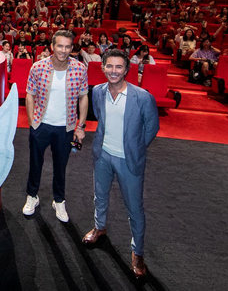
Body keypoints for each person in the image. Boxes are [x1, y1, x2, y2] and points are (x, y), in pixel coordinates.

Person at [83, 48, 159, 279]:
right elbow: (100, 117)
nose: (113, 71)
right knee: (100, 196)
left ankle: (138, 253)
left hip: (129, 160)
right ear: (103, 67)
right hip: (103, 155)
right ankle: (99, 227)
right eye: (109, 66)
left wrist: (135, 148)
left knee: (134, 208)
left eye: (119, 67)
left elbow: (152, 127)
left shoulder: (143, 97)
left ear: (126, 69)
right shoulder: (98, 91)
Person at [23, 30, 88, 222]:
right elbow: (30, 94)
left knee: (61, 166)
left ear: (72, 48)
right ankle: (32, 196)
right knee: (35, 164)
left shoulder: (80, 69)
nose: (63, 50)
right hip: (41, 125)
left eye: (68, 46)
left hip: (65, 129)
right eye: (60, 45)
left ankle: (59, 200)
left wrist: (81, 126)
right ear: (52, 46)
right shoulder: (38, 67)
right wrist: (32, 123)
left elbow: (83, 97)